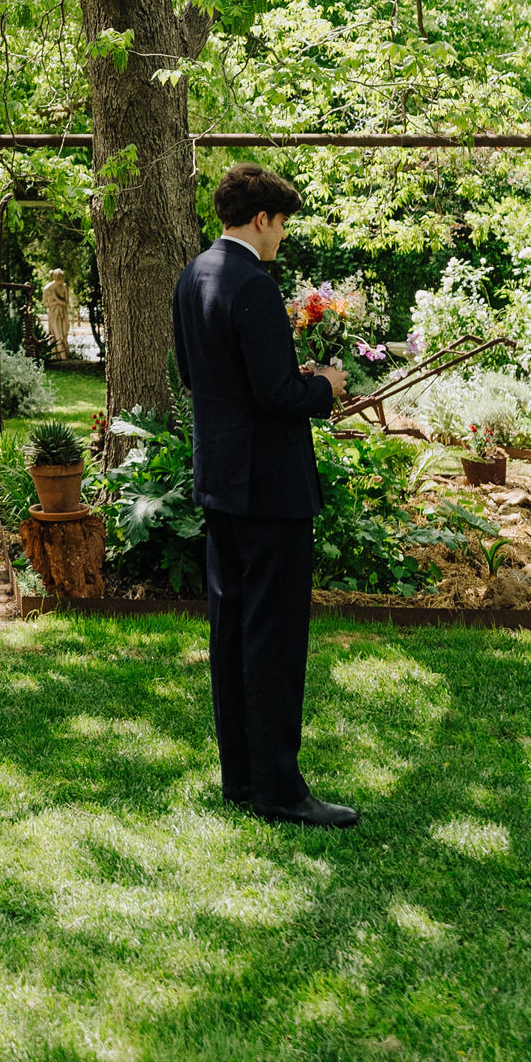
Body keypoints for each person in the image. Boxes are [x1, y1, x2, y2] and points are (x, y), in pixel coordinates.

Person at [171, 163, 357, 829]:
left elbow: (199, 374)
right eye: (281, 225)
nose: (281, 237)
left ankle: (242, 778)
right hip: (270, 491)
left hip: (222, 482)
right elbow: (277, 397)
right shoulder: (252, 282)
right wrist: (324, 385)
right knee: (274, 639)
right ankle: (279, 790)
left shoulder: (193, 276)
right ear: (261, 219)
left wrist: (286, 374)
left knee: (231, 634)